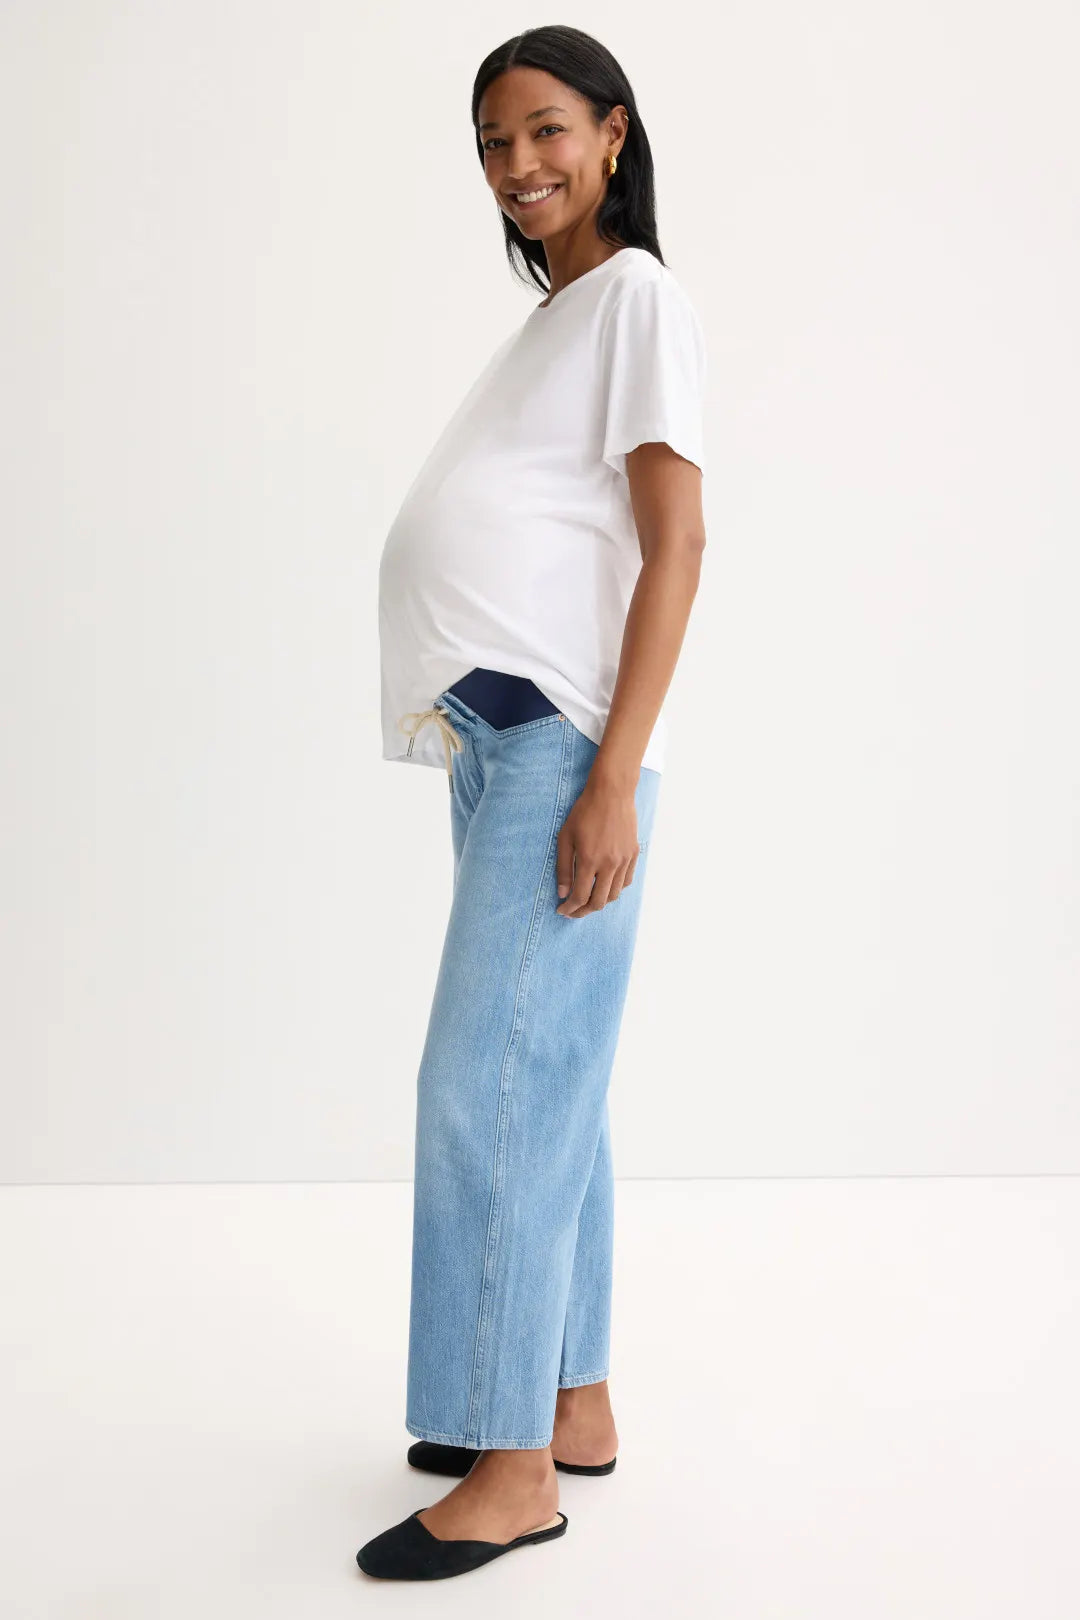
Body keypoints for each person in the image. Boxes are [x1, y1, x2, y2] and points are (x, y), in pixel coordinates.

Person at [358, 25, 708, 1582]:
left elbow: (678, 542)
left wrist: (613, 772)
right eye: (495, 143)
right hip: (504, 745)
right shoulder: (560, 316)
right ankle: (568, 1398)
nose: (519, 165)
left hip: (568, 745)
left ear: (614, 134)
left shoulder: (635, 299)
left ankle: (510, 1475)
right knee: (543, 1078)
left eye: (547, 129)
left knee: (481, 1087)